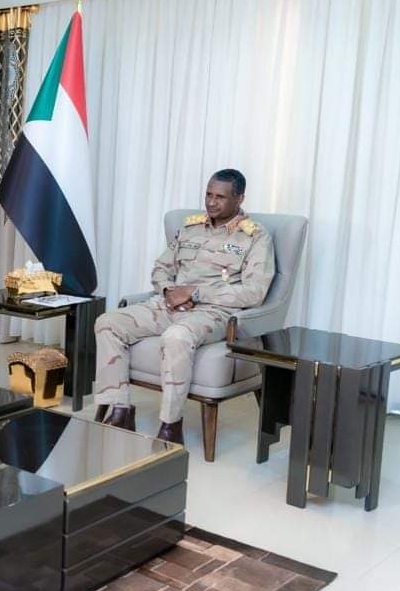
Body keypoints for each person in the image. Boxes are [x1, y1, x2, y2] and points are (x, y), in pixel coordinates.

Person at [92, 169, 275, 444]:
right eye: (208, 194)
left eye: (220, 197)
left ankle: (170, 425)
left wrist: (195, 292)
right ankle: (120, 410)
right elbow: (161, 269)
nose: (211, 202)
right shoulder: (190, 227)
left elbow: (254, 292)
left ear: (239, 198)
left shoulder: (255, 237)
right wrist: (169, 291)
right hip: (168, 305)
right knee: (108, 322)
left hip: (213, 312)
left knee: (176, 337)